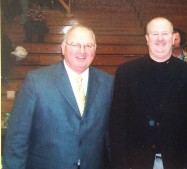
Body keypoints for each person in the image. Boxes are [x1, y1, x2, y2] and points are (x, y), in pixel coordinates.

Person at [3, 25, 114, 169]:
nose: (82, 51)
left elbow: (111, 138)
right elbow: (17, 139)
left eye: (88, 45)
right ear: (63, 48)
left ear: (95, 49)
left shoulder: (108, 83)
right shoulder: (36, 82)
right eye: (75, 44)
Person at [109, 17, 187, 169]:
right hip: (137, 162)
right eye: (154, 34)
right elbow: (117, 124)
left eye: (165, 34)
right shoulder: (127, 72)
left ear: (174, 38)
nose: (160, 39)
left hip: (178, 162)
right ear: (147, 39)